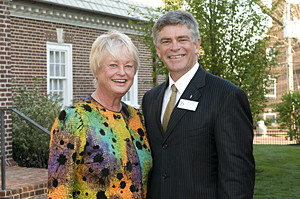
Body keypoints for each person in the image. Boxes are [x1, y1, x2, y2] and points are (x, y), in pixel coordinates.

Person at [142, 10, 255, 199]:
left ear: (196, 45)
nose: (174, 47)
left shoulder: (226, 96)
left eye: (182, 39)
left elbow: (237, 177)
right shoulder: (150, 99)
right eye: (166, 41)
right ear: (158, 49)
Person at [47, 30, 152, 199]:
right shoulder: (73, 119)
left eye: (128, 65)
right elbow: (58, 192)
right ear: (96, 70)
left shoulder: (137, 119)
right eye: (113, 65)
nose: (122, 72)